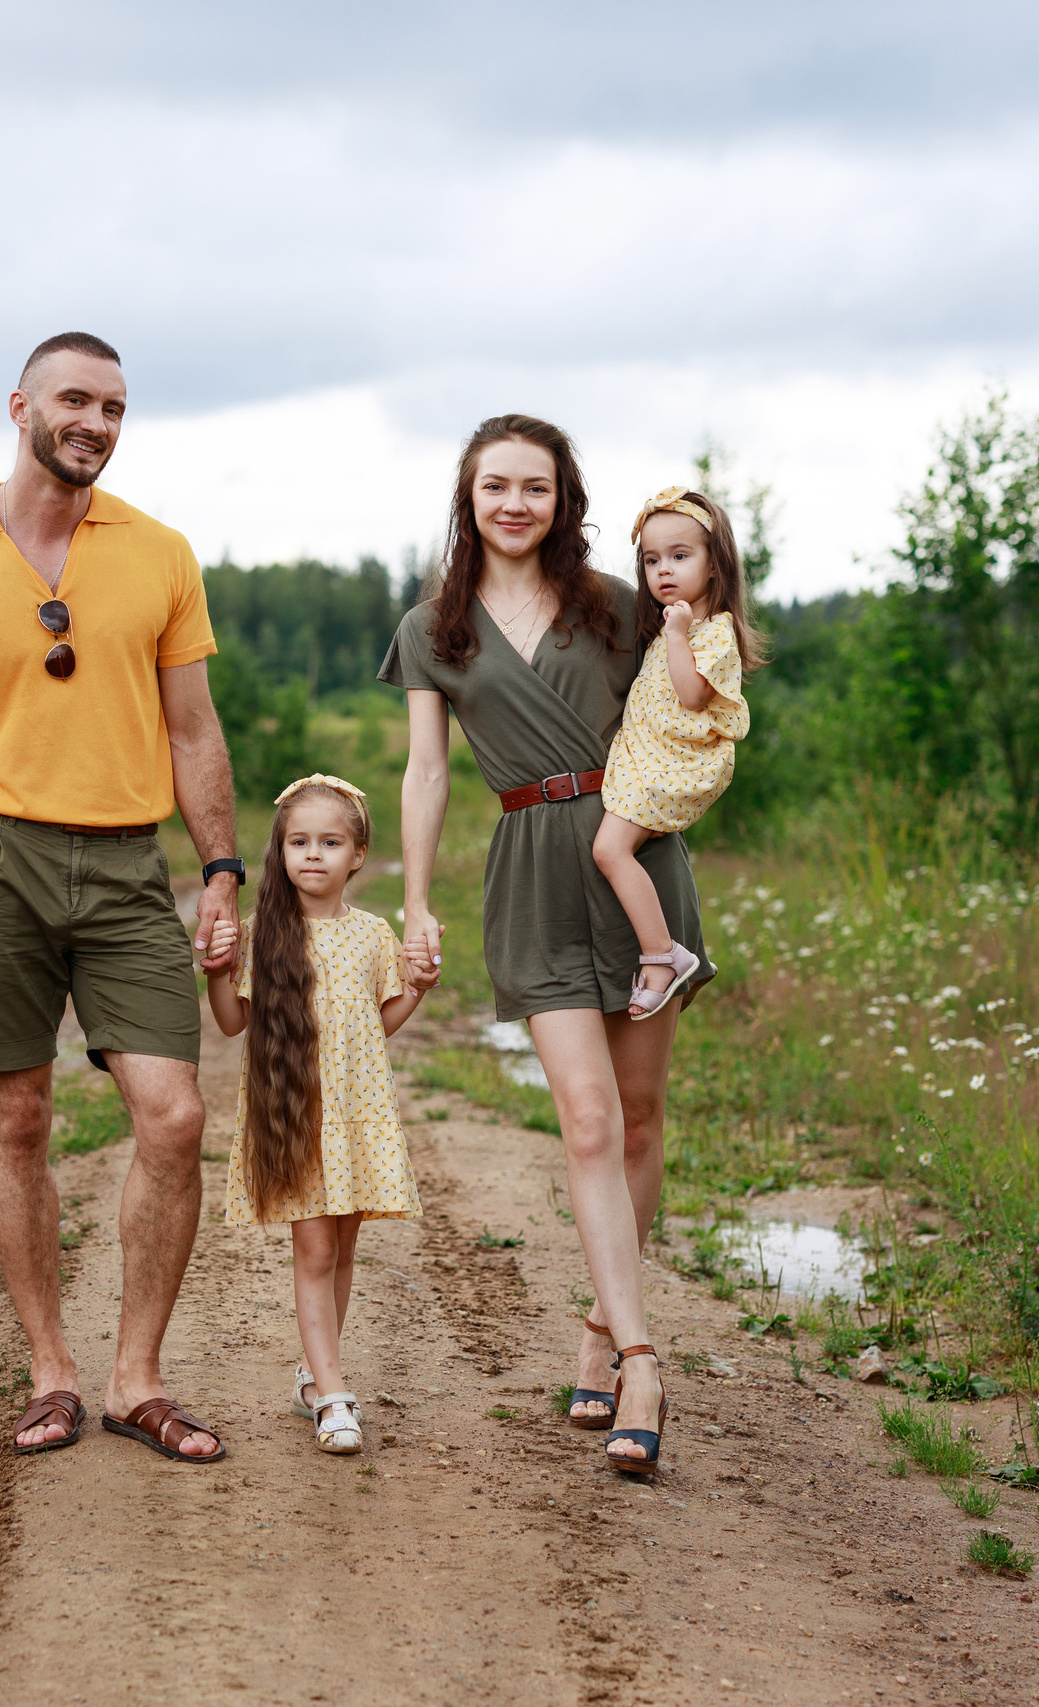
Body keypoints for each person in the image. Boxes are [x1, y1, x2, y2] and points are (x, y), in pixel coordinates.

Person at [0, 331, 242, 1464]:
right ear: (21, 404)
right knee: (17, 1114)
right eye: (75, 400)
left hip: (130, 864)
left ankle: (137, 1378)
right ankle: (50, 1372)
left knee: (173, 1117)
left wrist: (223, 871)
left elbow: (193, 728)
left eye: (115, 408)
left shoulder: (161, 553)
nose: (96, 422)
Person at [379, 414, 711, 1476]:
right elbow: (427, 772)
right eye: (495, 487)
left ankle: (600, 1332)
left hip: (634, 859)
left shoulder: (615, 606)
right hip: (528, 866)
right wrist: (415, 902)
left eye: (536, 487)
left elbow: (697, 689)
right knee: (585, 1118)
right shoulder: (433, 628)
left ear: (563, 500)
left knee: (641, 1117)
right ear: (467, 500)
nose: (515, 504)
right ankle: (646, 1363)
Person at [202, 774, 434, 1455]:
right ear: (280, 850)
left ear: (357, 854)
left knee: (343, 1247)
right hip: (294, 1111)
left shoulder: (371, 935)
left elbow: (377, 1022)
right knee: (315, 1247)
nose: (312, 855)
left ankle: (311, 1373)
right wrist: (218, 970)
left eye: (329, 842)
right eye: (298, 842)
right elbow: (228, 1023)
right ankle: (335, 1395)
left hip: (357, 1113)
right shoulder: (263, 933)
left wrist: (416, 987)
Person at [592, 487, 761, 1020]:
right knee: (611, 850)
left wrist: (679, 636)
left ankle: (664, 956)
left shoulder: (712, 630)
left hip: (675, 764)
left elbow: (691, 694)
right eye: (651, 560)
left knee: (609, 851)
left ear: (715, 565)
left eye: (680, 556)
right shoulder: (677, 624)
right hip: (649, 756)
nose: (663, 570)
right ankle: (661, 952)